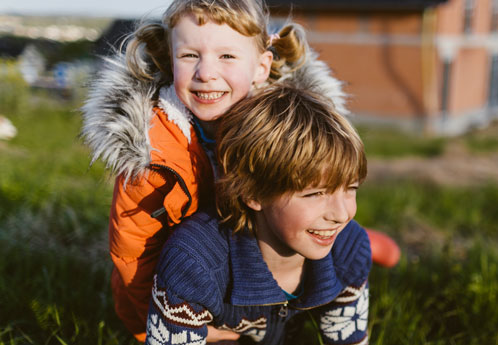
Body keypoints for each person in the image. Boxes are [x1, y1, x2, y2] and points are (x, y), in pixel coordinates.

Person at [81, 0, 359, 340]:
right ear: (170, 61)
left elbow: (320, 197)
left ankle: (369, 255)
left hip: (267, 268)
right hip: (191, 292)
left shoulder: (287, 128)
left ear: (261, 66)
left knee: (353, 239)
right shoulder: (150, 154)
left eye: (227, 56)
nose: (206, 72)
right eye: (189, 56)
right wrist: (154, 324)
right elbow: (132, 254)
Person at [146, 84, 371, 345]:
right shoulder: (194, 263)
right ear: (253, 193)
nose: (342, 214)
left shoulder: (349, 247)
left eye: (350, 189)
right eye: (315, 194)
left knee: (370, 246)